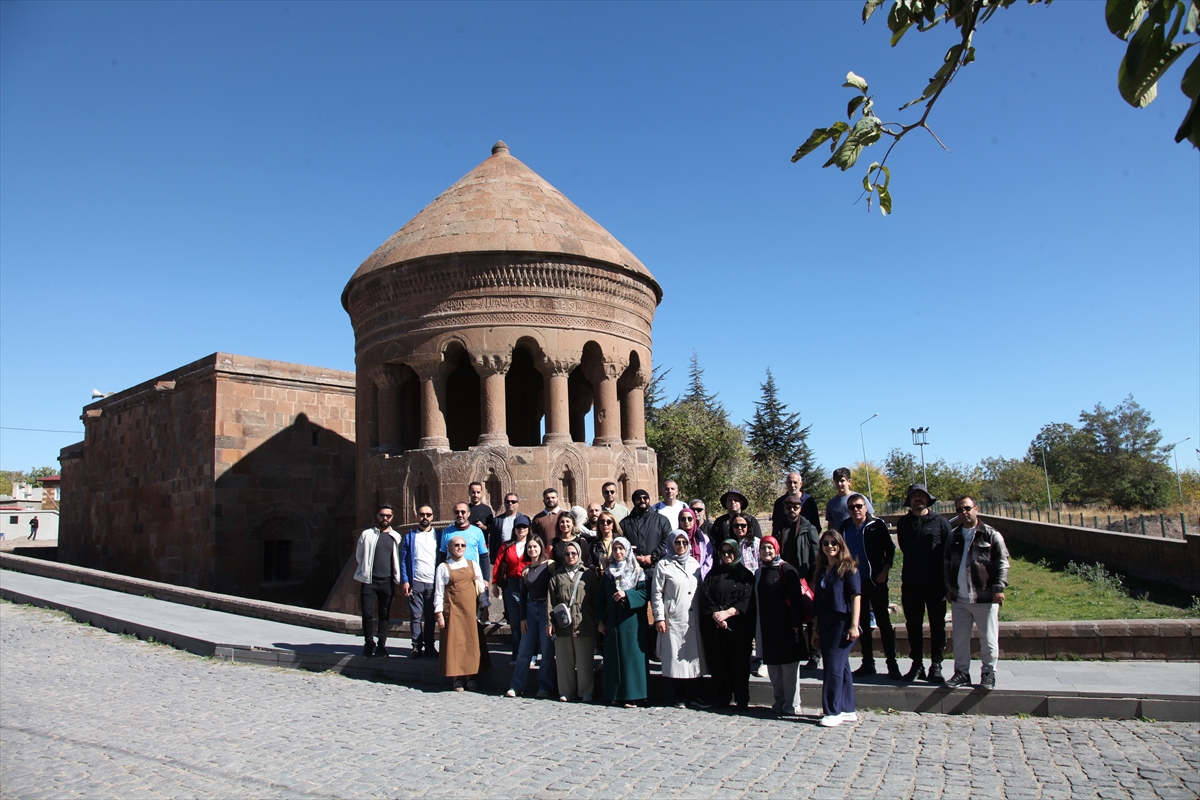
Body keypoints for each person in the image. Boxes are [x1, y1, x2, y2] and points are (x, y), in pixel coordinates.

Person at [944, 496, 1009, 690]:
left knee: (988, 638)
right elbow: (946, 564)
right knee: (960, 638)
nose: (963, 512)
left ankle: (989, 673)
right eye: (959, 510)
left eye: (967, 508)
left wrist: (999, 588)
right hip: (960, 597)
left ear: (976, 509)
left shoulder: (990, 535)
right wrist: (948, 588)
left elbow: (1002, 563)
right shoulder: (954, 536)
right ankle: (961, 672)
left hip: (984, 596)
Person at [839, 493, 900, 679]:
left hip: (876, 582)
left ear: (866, 507)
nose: (856, 510)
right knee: (862, 623)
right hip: (855, 584)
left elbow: (890, 550)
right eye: (851, 507)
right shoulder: (845, 528)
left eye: (859, 506)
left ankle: (892, 664)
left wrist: (884, 572)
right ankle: (868, 663)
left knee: (883, 622)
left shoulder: (876, 526)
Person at [896, 484, 951, 683]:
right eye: (914, 496)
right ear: (909, 501)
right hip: (911, 582)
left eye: (922, 496)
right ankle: (916, 663)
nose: (918, 499)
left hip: (935, 583)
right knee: (913, 625)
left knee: (937, 625)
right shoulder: (903, 523)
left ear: (928, 500)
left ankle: (936, 664)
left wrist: (948, 584)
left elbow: (948, 552)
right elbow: (904, 547)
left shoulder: (940, 523)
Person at [752, 535, 808, 715]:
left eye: (770, 547)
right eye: (763, 548)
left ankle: (793, 704)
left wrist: (796, 623)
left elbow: (797, 600)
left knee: (789, 668)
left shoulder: (786, 569)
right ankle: (779, 699)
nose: (766, 551)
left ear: (776, 549)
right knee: (774, 667)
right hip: (768, 627)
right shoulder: (759, 572)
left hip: (787, 626)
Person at [652, 531, 708, 708]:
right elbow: (656, 593)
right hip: (674, 617)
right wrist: (659, 617)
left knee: (692, 658)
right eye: (677, 542)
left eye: (684, 542)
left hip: (693, 616)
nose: (681, 546)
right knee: (675, 659)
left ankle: (695, 695)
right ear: (671, 543)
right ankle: (679, 695)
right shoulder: (663, 564)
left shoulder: (694, 563)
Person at [812, 530, 862, 727]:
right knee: (842, 666)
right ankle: (847, 708)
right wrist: (815, 628)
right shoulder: (823, 570)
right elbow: (818, 602)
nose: (830, 546)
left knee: (832, 666)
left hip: (842, 623)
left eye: (834, 543)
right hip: (825, 621)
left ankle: (832, 711)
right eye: (826, 543)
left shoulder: (848, 569)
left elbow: (855, 596)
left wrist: (854, 625)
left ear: (841, 545)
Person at [699, 539, 755, 709]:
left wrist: (729, 613)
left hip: (738, 627)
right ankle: (722, 696)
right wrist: (716, 615)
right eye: (723, 552)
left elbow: (748, 600)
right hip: (717, 627)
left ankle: (741, 698)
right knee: (719, 663)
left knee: (739, 663)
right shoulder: (713, 574)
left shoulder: (746, 575)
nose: (727, 555)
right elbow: (705, 596)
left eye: (730, 552)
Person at [596, 536, 649, 708]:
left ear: (627, 551)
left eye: (621, 549)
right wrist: (601, 620)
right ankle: (615, 694)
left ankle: (633, 695)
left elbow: (644, 594)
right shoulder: (608, 573)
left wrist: (627, 595)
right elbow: (601, 598)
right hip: (613, 622)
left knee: (631, 658)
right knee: (614, 658)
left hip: (632, 621)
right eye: (615, 549)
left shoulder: (637, 572)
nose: (618, 552)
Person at [620, 489, 671, 653]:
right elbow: (621, 544)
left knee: (659, 611)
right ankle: (641, 649)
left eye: (645, 497)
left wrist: (652, 557)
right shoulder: (625, 523)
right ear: (633, 501)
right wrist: (634, 559)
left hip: (656, 571)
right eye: (638, 498)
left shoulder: (661, 520)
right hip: (634, 574)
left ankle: (659, 649)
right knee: (638, 612)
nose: (642, 500)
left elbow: (666, 541)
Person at [505, 536, 557, 698]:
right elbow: (522, 595)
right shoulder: (526, 570)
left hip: (545, 609)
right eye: (529, 547)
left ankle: (545, 686)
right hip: (530, 609)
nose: (532, 550)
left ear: (541, 547)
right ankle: (516, 685)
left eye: (535, 546)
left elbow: (554, 591)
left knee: (547, 650)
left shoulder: (549, 566)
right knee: (524, 650)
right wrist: (522, 618)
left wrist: (552, 617)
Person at [547, 540, 599, 702]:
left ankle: (586, 692)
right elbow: (550, 601)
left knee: (584, 662)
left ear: (579, 555)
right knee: (564, 661)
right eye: (567, 554)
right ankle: (566, 691)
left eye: (573, 553)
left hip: (584, 623)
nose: (570, 556)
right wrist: (550, 623)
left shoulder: (588, 574)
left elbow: (596, 599)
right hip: (563, 625)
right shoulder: (557, 575)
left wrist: (599, 621)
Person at [435, 534, 488, 691]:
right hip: (453, 609)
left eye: (462, 545)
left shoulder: (473, 565)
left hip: (470, 610)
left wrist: (484, 606)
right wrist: (439, 615)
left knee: (470, 642)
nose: (459, 548)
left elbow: (480, 587)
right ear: (450, 548)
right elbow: (438, 592)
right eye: (456, 545)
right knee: (454, 643)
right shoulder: (443, 567)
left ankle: (471, 677)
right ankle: (457, 678)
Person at [775, 493, 821, 670]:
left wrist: (814, 579)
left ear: (800, 509)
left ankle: (814, 654)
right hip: (786, 578)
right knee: (789, 617)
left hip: (805, 577)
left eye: (795, 507)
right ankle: (795, 652)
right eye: (788, 507)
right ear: (784, 509)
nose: (792, 510)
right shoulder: (780, 527)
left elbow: (816, 556)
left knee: (810, 617)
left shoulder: (809, 528)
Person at [354, 504, 403, 657]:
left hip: (387, 581)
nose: (385, 518)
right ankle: (369, 642)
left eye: (388, 516)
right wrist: (366, 570)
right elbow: (359, 556)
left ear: (392, 517)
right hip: (369, 580)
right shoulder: (367, 535)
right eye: (382, 515)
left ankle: (382, 643)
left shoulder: (395, 537)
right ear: (377, 516)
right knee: (367, 613)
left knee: (384, 613)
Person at [400, 505, 440, 659]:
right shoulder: (410, 536)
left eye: (428, 514)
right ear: (417, 516)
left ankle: (430, 645)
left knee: (430, 616)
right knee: (416, 616)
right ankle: (416, 646)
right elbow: (403, 560)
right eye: (422, 514)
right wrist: (405, 580)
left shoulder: (437, 535)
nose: (425, 517)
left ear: (432, 517)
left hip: (432, 582)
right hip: (415, 581)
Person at [492, 515, 533, 657]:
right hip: (512, 585)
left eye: (524, 527)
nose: (521, 529)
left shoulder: (533, 544)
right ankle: (517, 654)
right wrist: (495, 583)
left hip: (529, 585)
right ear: (514, 529)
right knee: (515, 623)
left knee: (530, 621)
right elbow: (498, 564)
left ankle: (531, 654)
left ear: (529, 529)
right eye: (519, 527)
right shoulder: (507, 545)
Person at [677, 507, 713, 579]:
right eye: (683, 519)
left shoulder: (702, 538)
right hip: (679, 578)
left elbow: (709, 558)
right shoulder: (674, 538)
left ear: (694, 520)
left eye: (690, 519)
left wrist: (701, 574)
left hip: (699, 577)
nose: (686, 521)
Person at [489, 493, 523, 561]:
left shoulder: (523, 519)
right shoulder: (497, 520)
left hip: (519, 555)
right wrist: (493, 558)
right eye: (507, 502)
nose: (510, 503)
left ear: (518, 503)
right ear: (504, 503)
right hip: (503, 556)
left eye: (513, 502)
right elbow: (493, 541)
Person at [589, 510, 620, 575]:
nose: (605, 524)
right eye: (602, 522)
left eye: (609, 522)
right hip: (601, 580)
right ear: (599, 525)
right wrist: (597, 570)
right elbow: (588, 563)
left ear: (613, 525)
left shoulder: (621, 541)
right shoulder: (594, 544)